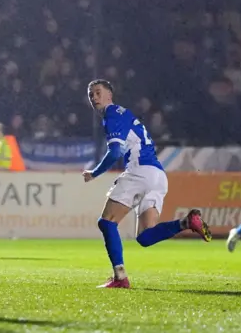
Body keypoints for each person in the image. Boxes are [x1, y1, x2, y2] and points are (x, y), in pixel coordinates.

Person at [82, 79, 212, 289]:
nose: (94, 98)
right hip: (158, 176)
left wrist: (94, 173)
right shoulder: (125, 115)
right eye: (90, 95)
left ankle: (120, 277)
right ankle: (186, 223)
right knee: (145, 236)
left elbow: (115, 151)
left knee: (106, 222)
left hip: (139, 171)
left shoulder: (112, 113)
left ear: (109, 95)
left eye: (97, 93)